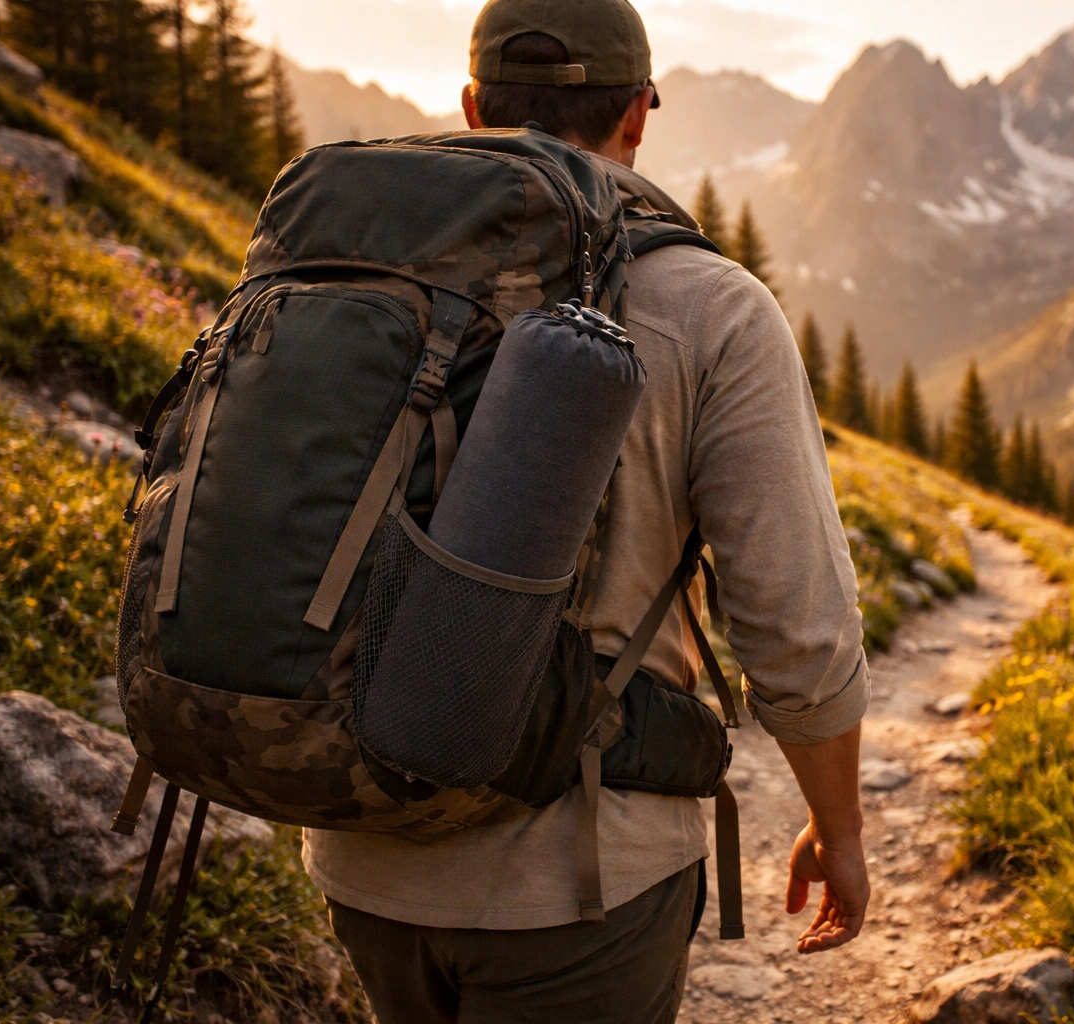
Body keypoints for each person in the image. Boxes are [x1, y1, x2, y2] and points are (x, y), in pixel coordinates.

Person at [300, 1, 872, 1020]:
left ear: (473, 105)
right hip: (581, 882)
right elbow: (796, 621)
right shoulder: (709, 306)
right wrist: (840, 827)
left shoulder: (364, 269)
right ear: (639, 116)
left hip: (362, 854)